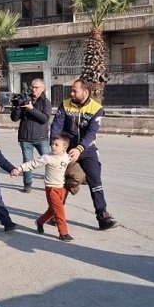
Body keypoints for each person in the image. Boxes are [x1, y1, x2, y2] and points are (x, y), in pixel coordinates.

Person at [50, 79, 118, 231]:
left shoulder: (97, 109)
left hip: (87, 150)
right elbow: (56, 125)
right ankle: (55, 215)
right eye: (71, 90)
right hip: (67, 149)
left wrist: (80, 149)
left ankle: (103, 217)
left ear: (85, 92)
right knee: (63, 182)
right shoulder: (65, 104)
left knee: (95, 182)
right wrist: (56, 145)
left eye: (75, 91)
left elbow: (91, 133)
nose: (71, 93)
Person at [17, 135, 74, 242]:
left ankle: (40, 221)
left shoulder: (67, 157)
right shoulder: (47, 157)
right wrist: (19, 169)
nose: (53, 146)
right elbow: (33, 164)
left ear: (64, 147)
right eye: (52, 144)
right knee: (59, 211)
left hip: (62, 188)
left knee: (53, 210)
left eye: (56, 145)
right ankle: (63, 233)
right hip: (51, 189)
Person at [9, 78, 51, 193]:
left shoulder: (45, 102)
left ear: (42, 89)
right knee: (27, 161)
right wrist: (18, 106)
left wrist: (31, 109)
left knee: (49, 160)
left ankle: (51, 183)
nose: (33, 89)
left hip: (42, 138)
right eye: (32, 87)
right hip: (25, 138)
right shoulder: (25, 99)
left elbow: (44, 119)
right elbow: (14, 118)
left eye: (36, 87)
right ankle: (27, 184)